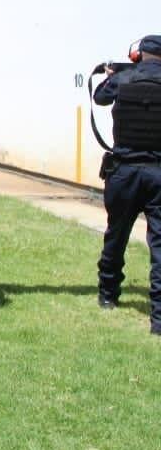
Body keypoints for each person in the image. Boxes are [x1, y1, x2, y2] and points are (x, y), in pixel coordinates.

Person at [93, 34, 161, 335]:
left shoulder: (125, 79)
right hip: (158, 173)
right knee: (159, 246)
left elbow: (100, 98)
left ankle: (108, 294)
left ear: (138, 55)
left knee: (116, 235)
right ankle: (158, 318)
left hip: (125, 173)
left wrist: (114, 76)